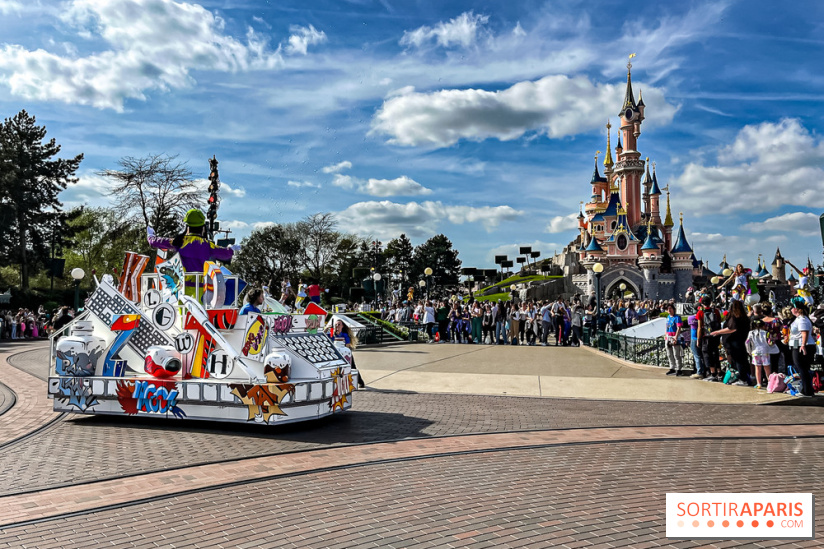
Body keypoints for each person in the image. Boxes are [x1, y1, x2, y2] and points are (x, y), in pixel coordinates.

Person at [147, 208, 237, 279]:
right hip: (200, 290)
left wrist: (150, 236)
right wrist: (232, 248)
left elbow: (156, 242)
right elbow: (225, 253)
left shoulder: (178, 242)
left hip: (181, 290)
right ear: (203, 228)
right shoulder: (207, 245)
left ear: (187, 227)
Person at [711, 299, 751, 386]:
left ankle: (742, 379)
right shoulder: (744, 317)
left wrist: (718, 332)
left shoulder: (735, 318)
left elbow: (732, 328)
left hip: (735, 342)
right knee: (741, 360)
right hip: (741, 341)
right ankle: (743, 377)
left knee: (738, 361)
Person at [789, 301, 815, 396]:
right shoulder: (798, 319)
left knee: (802, 368)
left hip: (802, 345)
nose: (791, 310)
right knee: (802, 368)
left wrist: (803, 345)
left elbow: (805, 333)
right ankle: (806, 389)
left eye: (792, 308)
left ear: (797, 309)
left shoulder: (802, 320)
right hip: (798, 344)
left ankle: (807, 391)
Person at [330, 319, 365, 388]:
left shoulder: (344, 335)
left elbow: (348, 345)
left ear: (342, 326)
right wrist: (327, 329)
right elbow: (327, 336)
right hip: (336, 353)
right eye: (336, 325)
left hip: (345, 353)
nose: (337, 326)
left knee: (352, 367)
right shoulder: (332, 333)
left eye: (339, 324)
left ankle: (360, 381)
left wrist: (343, 348)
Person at [664, 304, 684, 376]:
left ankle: (679, 369)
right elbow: (667, 327)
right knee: (669, 354)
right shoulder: (668, 317)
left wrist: (676, 337)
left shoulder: (677, 317)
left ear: (673, 309)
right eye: (668, 309)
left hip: (674, 336)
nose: (669, 310)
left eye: (670, 308)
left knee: (676, 354)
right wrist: (666, 334)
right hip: (668, 336)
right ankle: (672, 368)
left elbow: (679, 327)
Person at [687, 314, 704, 379]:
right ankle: (703, 371)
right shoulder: (703, 317)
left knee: (696, 356)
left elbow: (689, 322)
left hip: (694, 338)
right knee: (701, 356)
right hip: (702, 338)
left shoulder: (691, 318)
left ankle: (699, 372)